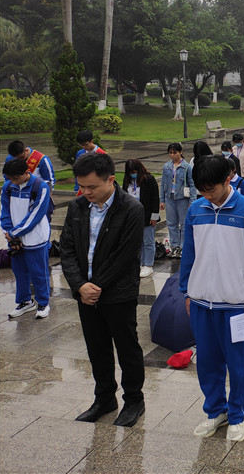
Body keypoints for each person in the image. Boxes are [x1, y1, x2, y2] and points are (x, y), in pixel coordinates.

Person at [179, 155, 244, 442]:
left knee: (237, 365)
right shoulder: (196, 210)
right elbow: (189, 254)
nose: (207, 196)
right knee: (206, 362)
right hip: (202, 302)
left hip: (237, 304)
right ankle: (215, 411)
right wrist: (187, 291)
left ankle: (238, 416)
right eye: (202, 191)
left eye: (212, 190)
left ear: (227, 179)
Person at [59, 152, 146, 427]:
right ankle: (104, 398)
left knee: (127, 347)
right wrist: (79, 285)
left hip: (118, 292)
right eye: (81, 186)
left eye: (92, 187)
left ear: (110, 180)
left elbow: (124, 256)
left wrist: (95, 285)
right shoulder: (78, 207)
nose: (86, 192)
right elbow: (68, 250)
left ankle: (134, 400)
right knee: (97, 348)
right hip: (86, 294)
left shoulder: (131, 208)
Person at [1, 158, 52, 318]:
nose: (13, 182)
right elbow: (5, 212)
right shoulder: (8, 187)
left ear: (26, 172)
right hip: (15, 239)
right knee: (19, 271)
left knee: (38, 272)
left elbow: (36, 214)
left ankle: (43, 303)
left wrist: (15, 233)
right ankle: (25, 302)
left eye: (16, 178)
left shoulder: (40, 187)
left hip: (35, 238)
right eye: (10, 178)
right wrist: (9, 234)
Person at [122, 159, 160, 278]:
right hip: (132, 214)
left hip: (146, 214)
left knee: (148, 240)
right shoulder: (127, 180)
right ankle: (139, 263)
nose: (133, 174)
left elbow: (155, 198)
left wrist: (154, 216)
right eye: (130, 172)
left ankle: (148, 264)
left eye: (134, 171)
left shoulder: (149, 179)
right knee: (137, 241)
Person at [159, 143, 196, 259]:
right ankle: (174, 246)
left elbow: (192, 184)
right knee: (171, 223)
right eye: (170, 153)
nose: (172, 155)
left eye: (174, 152)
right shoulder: (166, 167)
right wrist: (162, 200)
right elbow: (163, 184)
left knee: (184, 224)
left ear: (181, 152)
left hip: (182, 199)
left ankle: (183, 246)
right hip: (170, 198)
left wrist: (192, 201)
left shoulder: (186, 167)